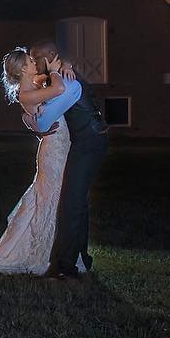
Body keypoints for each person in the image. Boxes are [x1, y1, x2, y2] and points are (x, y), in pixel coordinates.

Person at [0, 46, 84, 276]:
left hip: (60, 145)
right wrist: (54, 69)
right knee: (53, 197)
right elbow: (58, 87)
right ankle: (47, 254)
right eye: (30, 60)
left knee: (58, 196)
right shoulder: (26, 94)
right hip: (53, 151)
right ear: (22, 69)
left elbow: (55, 77)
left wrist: (65, 66)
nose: (34, 61)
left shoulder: (35, 82)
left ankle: (63, 251)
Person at [30, 40, 109, 277]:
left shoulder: (66, 81)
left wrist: (34, 121)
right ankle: (79, 259)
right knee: (78, 203)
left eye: (36, 59)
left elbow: (43, 123)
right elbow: (39, 84)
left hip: (89, 143)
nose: (33, 64)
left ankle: (64, 268)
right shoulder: (59, 76)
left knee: (71, 203)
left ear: (49, 57)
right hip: (86, 141)